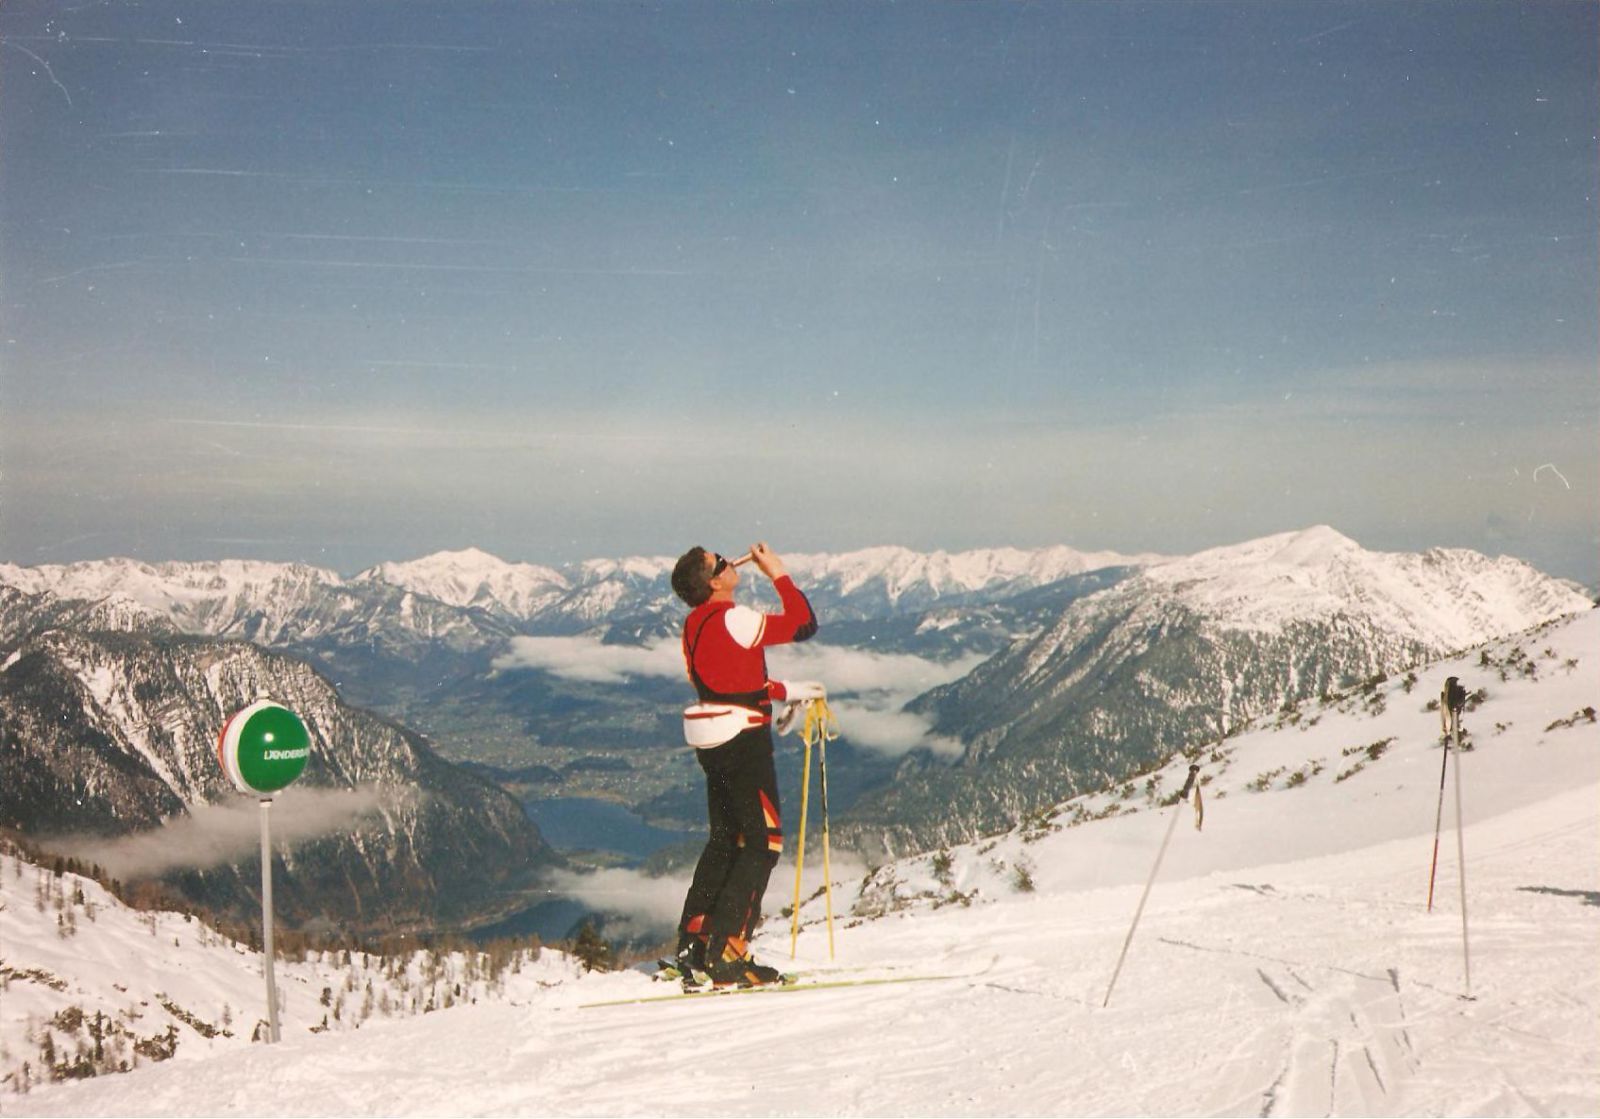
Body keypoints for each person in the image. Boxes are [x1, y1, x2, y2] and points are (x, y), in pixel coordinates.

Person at [668, 541, 818, 987]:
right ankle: (728, 954)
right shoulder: (735, 616)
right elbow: (803, 624)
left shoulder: (694, 623)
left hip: (712, 737)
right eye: (721, 562)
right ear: (714, 582)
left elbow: (724, 679)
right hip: (744, 738)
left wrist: (782, 690)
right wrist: (779, 572)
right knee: (761, 841)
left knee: (725, 838)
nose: (730, 561)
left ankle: (695, 942)